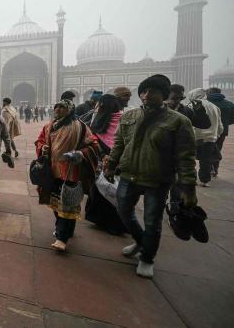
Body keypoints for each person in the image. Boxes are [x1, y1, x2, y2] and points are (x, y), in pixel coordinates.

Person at [104, 74, 197, 278]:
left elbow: (186, 157)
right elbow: (119, 143)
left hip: (157, 178)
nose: (146, 95)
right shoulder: (129, 116)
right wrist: (110, 164)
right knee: (123, 210)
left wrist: (188, 188)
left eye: (152, 91)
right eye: (144, 91)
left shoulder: (178, 121)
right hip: (129, 174)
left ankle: (147, 257)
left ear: (163, 95)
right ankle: (141, 241)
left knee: (152, 220)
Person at [35, 99, 100, 252]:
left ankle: (61, 238)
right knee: (56, 203)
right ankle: (64, 230)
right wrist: (43, 147)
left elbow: (93, 145)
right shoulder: (49, 126)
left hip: (71, 171)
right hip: (53, 171)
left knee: (68, 203)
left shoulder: (80, 127)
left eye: (62, 107)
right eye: (56, 106)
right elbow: (40, 140)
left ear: (70, 110)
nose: (57, 109)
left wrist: (79, 153)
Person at [84, 94, 127, 235]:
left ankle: (113, 224)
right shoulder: (121, 118)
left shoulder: (117, 119)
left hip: (112, 161)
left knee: (108, 190)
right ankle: (105, 221)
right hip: (109, 160)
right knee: (106, 190)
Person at [187, 88, 223, 187]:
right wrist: (216, 135)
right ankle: (204, 180)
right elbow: (220, 126)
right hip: (210, 138)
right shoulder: (215, 107)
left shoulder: (191, 106)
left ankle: (191, 178)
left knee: (190, 159)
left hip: (195, 137)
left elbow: (189, 124)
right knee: (206, 160)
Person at [206, 87, 234, 176]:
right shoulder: (229, 104)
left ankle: (209, 169)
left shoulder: (205, 103)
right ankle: (215, 169)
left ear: (209, 93)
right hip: (222, 131)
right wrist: (225, 123)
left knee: (207, 149)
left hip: (207, 130)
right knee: (218, 148)